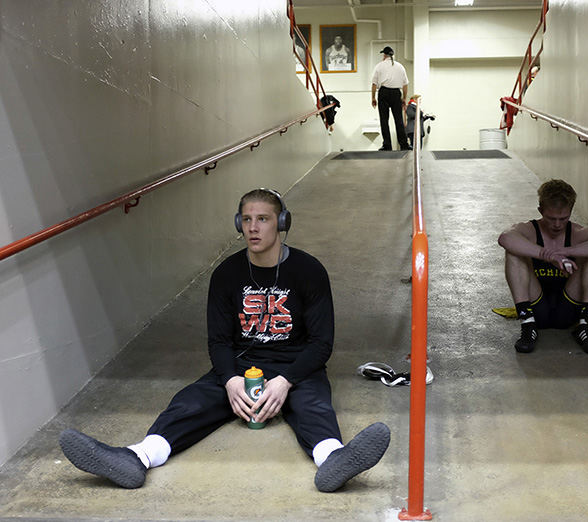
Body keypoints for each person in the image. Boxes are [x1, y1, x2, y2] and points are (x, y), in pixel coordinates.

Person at [58, 188, 391, 492]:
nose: (253, 228)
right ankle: (137, 457)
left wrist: (285, 381)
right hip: (243, 365)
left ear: (282, 223)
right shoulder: (227, 274)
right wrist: (231, 380)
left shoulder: (309, 271)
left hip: (296, 365)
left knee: (313, 405)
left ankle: (333, 459)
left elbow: (321, 343)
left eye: (263, 219)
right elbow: (218, 341)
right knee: (191, 401)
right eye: (246, 220)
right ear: (238, 224)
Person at [498, 179, 588, 355]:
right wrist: (547, 254)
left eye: (563, 218)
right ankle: (527, 324)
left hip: (568, 309)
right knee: (513, 253)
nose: (557, 224)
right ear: (541, 211)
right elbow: (505, 238)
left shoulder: (577, 233)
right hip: (536, 307)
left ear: (571, 212)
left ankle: (587, 325)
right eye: (551, 218)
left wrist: (567, 250)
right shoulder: (530, 229)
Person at [371, 46, 410, 151]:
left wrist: (373, 98)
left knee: (384, 120)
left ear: (384, 55)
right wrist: (404, 98)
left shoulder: (379, 66)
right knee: (399, 120)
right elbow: (405, 85)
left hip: (383, 93)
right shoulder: (400, 66)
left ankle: (387, 145)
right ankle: (404, 144)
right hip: (396, 93)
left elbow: (374, 84)